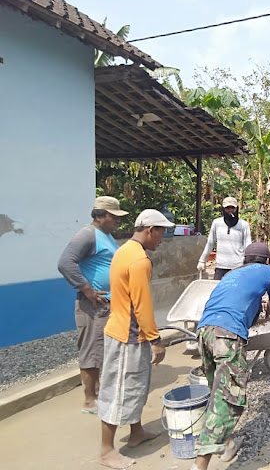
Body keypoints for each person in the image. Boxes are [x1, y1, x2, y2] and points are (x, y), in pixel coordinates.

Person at [191, 242, 270, 469]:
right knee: (229, 401)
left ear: (245, 259)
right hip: (228, 335)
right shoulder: (269, 272)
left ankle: (229, 445)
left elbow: (236, 301)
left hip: (204, 332)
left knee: (218, 393)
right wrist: (268, 310)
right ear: (268, 260)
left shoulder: (233, 273)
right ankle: (200, 464)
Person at [97, 209, 174, 469]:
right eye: (161, 233)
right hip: (126, 335)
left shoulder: (124, 250)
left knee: (136, 385)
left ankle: (136, 433)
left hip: (123, 328)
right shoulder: (140, 261)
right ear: (150, 230)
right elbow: (141, 304)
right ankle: (106, 450)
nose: (162, 239)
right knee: (118, 390)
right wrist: (156, 339)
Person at [58, 196, 128, 414]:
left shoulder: (106, 236)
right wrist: (86, 289)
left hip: (107, 303)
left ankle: (99, 391)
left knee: (102, 350)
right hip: (93, 305)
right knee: (90, 350)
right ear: (100, 216)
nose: (117, 220)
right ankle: (89, 400)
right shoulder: (87, 235)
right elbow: (65, 263)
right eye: (113, 216)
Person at [197, 196, 252, 280]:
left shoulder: (244, 225)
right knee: (219, 291)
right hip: (221, 266)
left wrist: (249, 263)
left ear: (237, 208)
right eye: (227, 208)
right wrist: (202, 260)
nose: (230, 210)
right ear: (223, 209)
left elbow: (248, 245)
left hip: (238, 266)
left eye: (232, 208)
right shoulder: (217, 223)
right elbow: (210, 243)